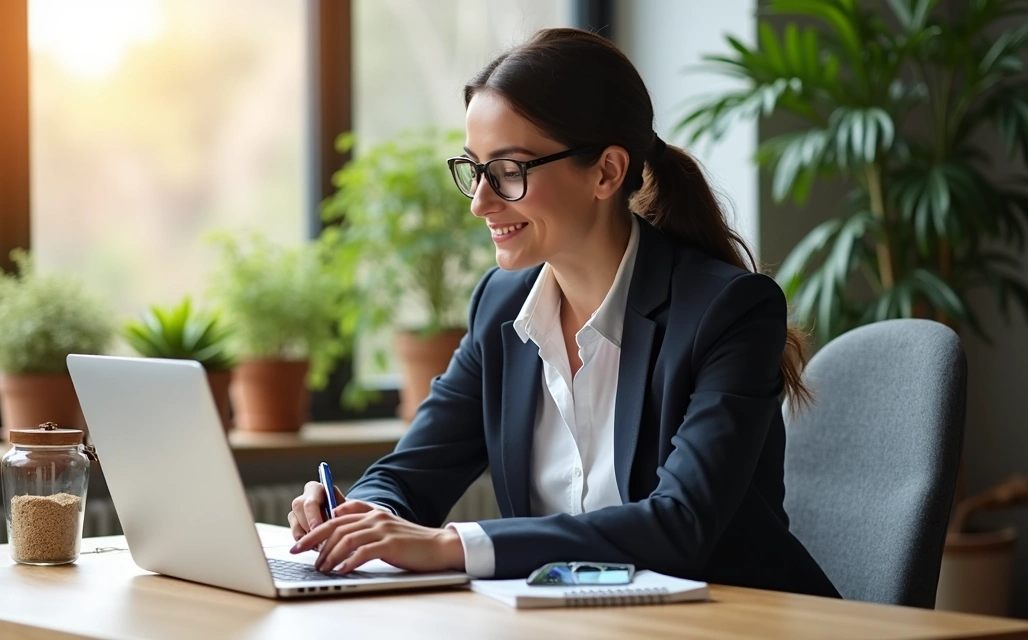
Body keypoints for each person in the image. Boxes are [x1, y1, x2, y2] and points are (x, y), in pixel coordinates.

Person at [289, 27, 838, 598]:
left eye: (509, 171)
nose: (480, 202)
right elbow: (411, 472)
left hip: (732, 621)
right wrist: (358, 514)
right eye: (474, 169)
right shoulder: (501, 308)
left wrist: (453, 545)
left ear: (606, 172)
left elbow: (681, 525)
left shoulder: (728, 311)